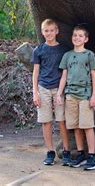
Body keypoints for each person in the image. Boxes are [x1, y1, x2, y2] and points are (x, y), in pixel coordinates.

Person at [57, 24, 95, 171]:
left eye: (80, 36)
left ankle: (92, 156)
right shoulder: (67, 55)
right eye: (75, 35)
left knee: (87, 126)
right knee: (75, 126)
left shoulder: (89, 55)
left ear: (86, 39)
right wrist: (59, 94)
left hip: (85, 95)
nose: (77, 38)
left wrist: (94, 95)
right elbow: (64, 76)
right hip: (70, 95)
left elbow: (94, 75)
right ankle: (81, 153)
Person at [31, 19, 70, 166]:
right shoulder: (38, 50)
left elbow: (65, 72)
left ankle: (66, 151)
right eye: (46, 31)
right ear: (42, 32)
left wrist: (60, 93)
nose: (49, 33)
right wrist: (35, 92)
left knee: (61, 121)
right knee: (46, 122)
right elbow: (35, 73)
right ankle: (50, 152)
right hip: (43, 88)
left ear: (57, 31)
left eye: (51, 30)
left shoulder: (63, 50)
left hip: (58, 89)